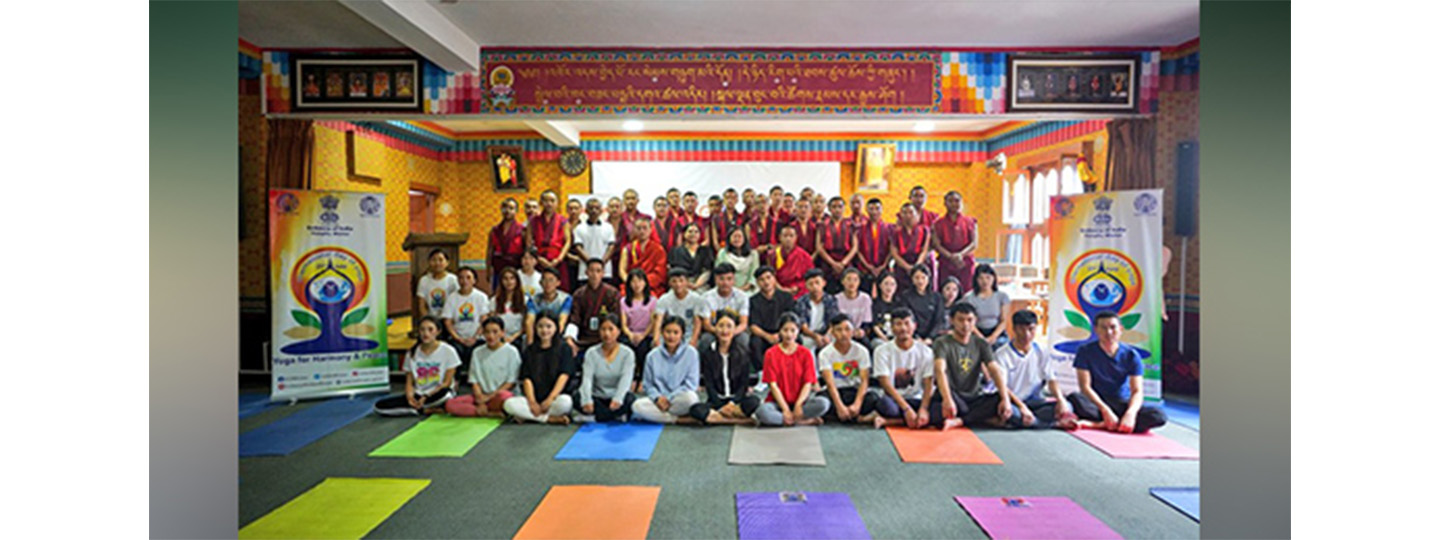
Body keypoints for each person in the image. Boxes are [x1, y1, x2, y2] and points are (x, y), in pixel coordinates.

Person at [1067, 311, 1168, 433]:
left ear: (1120, 329)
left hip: (1121, 402)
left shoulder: (1131, 355)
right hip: (1096, 402)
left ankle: (1099, 424)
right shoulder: (1085, 351)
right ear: (1096, 330)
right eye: (1103, 328)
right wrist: (1105, 410)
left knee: (1158, 416)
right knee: (1074, 399)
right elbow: (1085, 387)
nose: (1109, 332)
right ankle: (1115, 423)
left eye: (1113, 327)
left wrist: (1130, 414)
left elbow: (1137, 391)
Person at [932, 303, 1017, 429]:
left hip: (974, 397)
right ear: (951, 320)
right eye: (960, 320)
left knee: (999, 399)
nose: (965, 324)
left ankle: (961, 421)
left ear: (975, 321)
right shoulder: (942, 342)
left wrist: (1005, 399)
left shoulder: (981, 343)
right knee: (937, 409)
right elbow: (940, 370)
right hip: (953, 395)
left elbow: (994, 369)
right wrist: (947, 399)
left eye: (970, 320)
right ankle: (979, 419)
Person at [992, 310, 1076, 430]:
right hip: (1013, 402)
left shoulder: (1041, 350)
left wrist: (1060, 399)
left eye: (1031, 329)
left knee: (1067, 405)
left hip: (1035, 401)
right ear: (1014, 329)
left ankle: (1031, 421)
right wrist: (1022, 407)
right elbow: (1003, 387)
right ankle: (1050, 424)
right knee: (1009, 413)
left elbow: (1051, 379)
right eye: (1022, 329)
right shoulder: (1002, 354)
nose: (1026, 334)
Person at [870, 308, 944, 429]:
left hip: (918, 399)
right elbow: (886, 384)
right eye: (898, 324)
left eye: (907, 323)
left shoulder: (925, 351)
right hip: (895, 400)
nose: (903, 328)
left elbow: (928, 384)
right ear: (891, 328)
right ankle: (916, 420)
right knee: (885, 405)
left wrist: (924, 409)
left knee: (940, 408)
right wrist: (906, 409)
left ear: (914, 326)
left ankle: (891, 422)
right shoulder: (882, 351)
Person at [755, 313, 831, 426]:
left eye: (793, 330)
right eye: (785, 330)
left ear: (798, 331)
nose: (789, 334)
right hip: (778, 403)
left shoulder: (805, 353)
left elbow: (808, 383)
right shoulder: (770, 353)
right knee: (762, 412)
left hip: (801, 403)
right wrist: (785, 409)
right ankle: (802, 421)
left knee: (824, 403)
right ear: (779, 331)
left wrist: (798, 405)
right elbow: (773, 385)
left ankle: (788, 420)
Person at [374, 316, 458, 416]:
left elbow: (446, 383)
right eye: (422, 329)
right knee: (379, 406)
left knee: (446, 395)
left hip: (436, 393)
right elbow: (409, 382)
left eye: (430, 330)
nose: (426, 333)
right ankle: (423, 409)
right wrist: (410, 397)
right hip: (418, 393)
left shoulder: (448, 351)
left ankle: (420, 408)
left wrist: (426, 396)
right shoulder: (412, 352)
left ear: (438, 331)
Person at [687, 310, 761, 425]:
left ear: (734, 329)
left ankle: (718, 418)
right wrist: (720, 406)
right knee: (695, 409)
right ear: (715, 328)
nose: (724, 330)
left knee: (754, 402)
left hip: (736, 402)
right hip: (716, 402)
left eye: (729, 326)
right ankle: (736, 419)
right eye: (721, 326)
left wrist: (732, 403)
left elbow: (743, 385)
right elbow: (709, 384)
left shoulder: (743, 353)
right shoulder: (708, 353)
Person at [503, 313, 576, 424]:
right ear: (535, 328)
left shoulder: (564, 348)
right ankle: (549, 419)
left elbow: (564, 375)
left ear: (556, 328)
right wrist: (532, 402)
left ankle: (530, 417)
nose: (544, 330)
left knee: (566, 402)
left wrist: (550, 399)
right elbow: (527, 379)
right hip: (534, 399)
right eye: (540, 326)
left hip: (555, 399)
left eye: (548, 326)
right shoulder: (530, 350)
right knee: (509, 404)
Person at [445, 316, 522, 418]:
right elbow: (474, 380)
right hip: (482, 396)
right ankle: (489, 413)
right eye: (487, 332)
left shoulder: (512, 352)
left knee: (505, 398)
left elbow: (510, 382)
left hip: (500, 396)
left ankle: (481, 410)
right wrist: (480, 398)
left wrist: (489, 397)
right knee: (450, 404)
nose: (491, 336)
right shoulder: (477, 352)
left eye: (495, 332)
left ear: (502, 332)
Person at [631, 316, 704, 424]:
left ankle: (660, 417)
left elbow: (691, 384)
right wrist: (657, 398)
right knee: (636, 406)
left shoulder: (691, 353)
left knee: (691, 399)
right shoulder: (652, 356)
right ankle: (677, 419)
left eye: (676, 332)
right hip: (658, 401)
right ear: (661, 332)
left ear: (682, 334)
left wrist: (669, 399)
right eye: (668, 332)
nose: (671, 336)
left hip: (679, 398)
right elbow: (648, 384)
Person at [816, 314, 879, 425]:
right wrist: (840, 406)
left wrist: (857, 404)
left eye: (847, 329)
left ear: (853, 331)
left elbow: (864, 381)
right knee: (822, 402)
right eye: (839, 330)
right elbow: (830, 384)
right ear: (833, 332)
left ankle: (843, 416)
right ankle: (855, 417)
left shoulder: (862, 351)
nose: (843, 334)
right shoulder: (825, 353)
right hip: (835, 392)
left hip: (854, 390)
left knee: (873, 398)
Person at [577, 314, 638, 423]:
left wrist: (618, 399)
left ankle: (596, 417)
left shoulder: (627, 353)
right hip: (597, 397)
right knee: (576, 396)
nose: (607, 334)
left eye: (611, 329)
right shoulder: (591, 353)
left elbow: (626, 379)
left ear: (619, 331)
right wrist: (587, 400)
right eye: (603, 329)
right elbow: (586, 379)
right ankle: (614, 416)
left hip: (616, 398)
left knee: (630, 400)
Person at [747, 266, 797, 374]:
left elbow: (792, 321)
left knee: (797, 339)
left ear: (774, 279)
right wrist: (768, 336)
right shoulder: (753, 301)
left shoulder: (786, 297)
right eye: (762, 279)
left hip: (784, 332)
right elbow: (753, 325)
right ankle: (762, 373)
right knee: (755, 342)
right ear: (757, 283)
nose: (766, 282)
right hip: (764, 334)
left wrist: (781, 334)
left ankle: (792, 372)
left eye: (768, 277)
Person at [442, 267, 491, 372]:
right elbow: (448, 322)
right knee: (455, 351)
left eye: (468, 278)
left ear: (474, 280)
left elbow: (484, 320)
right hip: (457, 338)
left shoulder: (481, 297)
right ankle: (456, 381)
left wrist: (475, 337)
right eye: (461, 278)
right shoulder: (451, 298)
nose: (464, 281)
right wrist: (458, 338)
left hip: (477, 337)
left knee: (475, 351)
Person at [569, 258, 621, 357]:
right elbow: (574, 319)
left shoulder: (612, 293)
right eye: (591, 270)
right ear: (586, 272)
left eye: (598, 271)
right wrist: (570, 338)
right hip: (584, 339)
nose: (594, 274)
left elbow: (615, 319)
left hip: (605, 337)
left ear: (603, 273)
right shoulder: (579, 294)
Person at [933, 191, 978, 294]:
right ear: (945, 203)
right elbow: (936, 244)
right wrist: (950, 256)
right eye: (950, 201)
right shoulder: (938, 223)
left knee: (966, 292)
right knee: (945, 291)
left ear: (962, 202)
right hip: (946, 263)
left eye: (957, 201)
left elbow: (974, 243)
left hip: (964, 262)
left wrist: (960, 255)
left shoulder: (970, 221)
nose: (954, 204)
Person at [698, 263, 750, 352]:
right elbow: (707, 325)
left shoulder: (742, 297)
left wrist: (729, 333)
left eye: (729, 279)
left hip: (735, 330)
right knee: (705, 340)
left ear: (734, 280)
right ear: (715, 279)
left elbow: (743, 324)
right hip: (714, 330)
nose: (725, 283)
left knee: (743, 340)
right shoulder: (706, 297)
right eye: (721, 279)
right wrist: (721, 333)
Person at [527, 190, 573, 291]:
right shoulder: (533, 221)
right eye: (546, 201)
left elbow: (568, 242)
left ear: (557, 203)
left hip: (558, 260)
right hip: (539, 260)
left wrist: (559, 259)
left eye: (552, 200)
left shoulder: (563, 221)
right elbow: (529, 243)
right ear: (541, 202)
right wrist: (538, 258)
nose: (549, 204)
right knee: (539, 288)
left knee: (561, 289)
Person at [620, 269, 659, 386]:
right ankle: (630, 379)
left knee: (643, 349)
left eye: (640, 281)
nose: (637, 285)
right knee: (627, 349)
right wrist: (630, 334)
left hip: (646, 334)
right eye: (633, 282)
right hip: (630, 334)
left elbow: (653, 322)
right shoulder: (623, 301)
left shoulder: (652, 301)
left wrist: (643, 335)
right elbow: (623, 324)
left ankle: (642, 379)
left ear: (645, 283)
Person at [653, 268, 707, 349]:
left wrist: (693, 340)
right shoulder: (664, 299)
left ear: (687, 282)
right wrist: (656, 338)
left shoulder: (696, 299)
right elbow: (658, 320)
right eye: (674, 281)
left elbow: (697, 322)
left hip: (688, 333)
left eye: (681, 281)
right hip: (670, 332)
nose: (678, 284)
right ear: (669, 283)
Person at [961, 264, 1012, 348]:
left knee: (1000, 346)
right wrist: (981, 337)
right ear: (976, 280)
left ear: (994, 278)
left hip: (996, 332)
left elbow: (1004, 321)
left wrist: (993, 337)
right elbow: (968, 321)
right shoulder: (968, 298)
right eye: (981, 278)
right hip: (975, 331)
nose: (985, 281)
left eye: (988, 277)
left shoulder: (1002, 296)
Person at [816, 196, 859, 293]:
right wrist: (833, 263)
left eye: (840, 206)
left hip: (846, 262)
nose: (837, 210)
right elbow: (819, 247)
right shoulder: (822, 225)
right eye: (834, 207)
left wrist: (843, 263)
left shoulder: (851, 224)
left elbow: (855, 247)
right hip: (828, 263)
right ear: (829, 208)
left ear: (844, 208)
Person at [891, 202, 934, 293]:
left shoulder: (924, 230)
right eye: (905, 213)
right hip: (902, 267)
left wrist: (916, 267)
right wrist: (907, 267)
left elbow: (925, 250)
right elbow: (894, 252)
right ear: (901, 215)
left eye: (911, 212)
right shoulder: (895, 232)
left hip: (920, 264)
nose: (908, 215)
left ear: (917, 215)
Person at [572, 198, 617, 286]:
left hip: (605, 271)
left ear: (602, 210)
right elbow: (578, 247)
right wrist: (591, 264)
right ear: (585, 210)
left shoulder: (608, 227)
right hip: (585, 272)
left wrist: (601, 263)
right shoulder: (579, 228)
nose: (594, 211)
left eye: (597, 208)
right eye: (591, 208)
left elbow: (611, 246)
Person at [619, 216, 668, 296]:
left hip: (651, 286)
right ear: (634, 230)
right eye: (638, 228)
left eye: (645, 228)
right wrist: (632, 282)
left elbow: (660, 273)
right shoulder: (627, 249)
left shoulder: (658, 249)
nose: (642, 231)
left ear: (650, 230)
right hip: (631, 286)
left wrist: (642, 284)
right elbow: (622, 271)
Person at [793, 268, 839, 351]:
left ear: (824, 283)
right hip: (809, 334)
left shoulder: (831, 300)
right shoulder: (801, 302)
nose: (814, 287)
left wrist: (827, 335)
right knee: (807, 347)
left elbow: (834, 322)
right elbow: (803, 327)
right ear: (806, 286)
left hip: (827, 332)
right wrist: (815, 336)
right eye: (811, 284)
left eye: (817, 283)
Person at [855, 198, 893, 295]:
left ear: (882, 210)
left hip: (883, 268)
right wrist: (868, 266)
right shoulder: (860, 229)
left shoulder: (889, 228)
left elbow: (892, 249)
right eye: (871, 209)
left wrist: (884, 265)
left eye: (877, 208)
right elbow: (857, 250)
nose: (874, 212)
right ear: (866, 210)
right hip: (864, 269)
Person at [524, 268, 572, 345]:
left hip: (556, 334)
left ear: (558, 283)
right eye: (545, 280)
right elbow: (529, 321)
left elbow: (562, 321)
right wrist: (530, 345)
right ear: (540, 283)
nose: (548, 283)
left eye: (551, 280)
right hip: (538, 333)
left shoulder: (566, 299)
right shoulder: (533, 299)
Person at [765, 225, 815, 298]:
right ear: (780, 238)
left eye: (791, 236)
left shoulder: (804, 255)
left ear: (796, 238)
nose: (788, 239)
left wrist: (798, 287)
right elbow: (770, 275)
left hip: (798, 290)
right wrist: (780, 288)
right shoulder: (773, 255)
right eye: (785, 236)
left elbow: (810, 276)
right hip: (778, 288)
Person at [899, 265, 946, 343]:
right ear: (912, 279)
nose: (920, 281)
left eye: (923, 277)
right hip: (911, 336)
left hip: (933, 337)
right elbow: (906, 319)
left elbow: (939, 320)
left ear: (928, 279)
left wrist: (930, 338)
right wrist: (916, 337)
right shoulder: (905, 297)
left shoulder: (937, 297)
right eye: (917, 278)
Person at [487, 198, 527, 290]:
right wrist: (488, 269)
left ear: (516, 211)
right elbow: (490, 251)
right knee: (498, 294)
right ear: (501, 210)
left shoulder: (522, 230)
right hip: (499, 268)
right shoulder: (494, 230)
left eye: (511, 208)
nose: (508, 211)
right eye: (505, 208)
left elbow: (526, 251)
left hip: (516, 267)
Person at [668, 223, 715, 291]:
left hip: (701, 284)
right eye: (690, 231)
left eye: (696, 232)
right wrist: (685, 283)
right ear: (684, 234)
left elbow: (707, 271)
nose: (693, 234)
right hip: (680, 284)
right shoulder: (675, 251)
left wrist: (696, 285)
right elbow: (672, 270)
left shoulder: (706, 251)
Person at [415, 249, 457, 319]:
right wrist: (428, 320)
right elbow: (421, 306)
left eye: (440, 260)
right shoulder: (424, 280)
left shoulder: (453, 279)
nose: (437, 263)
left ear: (447, 262)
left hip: (450, 318)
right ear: (429, 262)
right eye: (434, 260)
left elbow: (457, 302)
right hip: (431, 319)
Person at [835, 267, 874, 343]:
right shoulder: (836, 299)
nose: (852, 283)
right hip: (842, 332)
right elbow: (835, 322)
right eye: (848, 279)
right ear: (842, 281)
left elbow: (867, 322)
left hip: (858, 333)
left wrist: (862, 331)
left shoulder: (865, 298)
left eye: (855, 280)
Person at [716, 227, 759, 293]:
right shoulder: (722, 253)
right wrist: (730, 289)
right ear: (729, 238)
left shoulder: (753, 254)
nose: (737, 239)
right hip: (726, 289)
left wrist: (743, 289)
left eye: (739, 236)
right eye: (734, 236)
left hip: (748, 290)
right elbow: (718, 274)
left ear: (744, 238)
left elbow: (753, 276)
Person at [491, 267, 528, 345]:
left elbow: (525, 325)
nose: (509, 282)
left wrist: (513, 337)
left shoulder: (525, 300)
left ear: (517, 281)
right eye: (505, 279)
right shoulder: (494, 300)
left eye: (512, 278)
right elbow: (492, 322)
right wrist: (502, 336)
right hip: (498, 336)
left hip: (517, 337)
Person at [868, 271, 903, 350]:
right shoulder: (874, 304)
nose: (889, 287)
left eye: (892, 284)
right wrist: (886, 339)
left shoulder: (900, 304)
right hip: (880, 338)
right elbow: (875, 326)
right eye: (886, 284)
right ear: (880, 285)